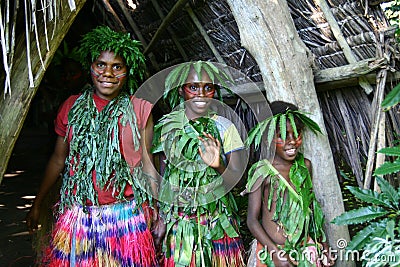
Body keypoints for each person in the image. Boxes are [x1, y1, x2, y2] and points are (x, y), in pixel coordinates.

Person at [26, 26, 162, 266]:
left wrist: (158, 210)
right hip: (80, 215)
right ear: (90, 67)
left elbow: (148, 163)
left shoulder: (141, 110)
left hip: (126, 216)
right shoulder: (71, 106)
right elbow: (59, 159)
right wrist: (38, 202)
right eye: (101, 65)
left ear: (127, 72)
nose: (107, 73)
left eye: (117, 67)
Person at [152, 61, 246, 266]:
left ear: (215, 91)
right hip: (179, 223)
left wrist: (218, 164)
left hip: (216, 223)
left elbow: (239, 182)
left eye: (208, 88)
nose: (201, 94)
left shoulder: (225, 127)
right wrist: (160, 217)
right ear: (181, 90)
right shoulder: (167, 128)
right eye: (193, 87)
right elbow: (161, 176)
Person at [244, 101, 334, 267]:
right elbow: (252, 220)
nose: (292, 141)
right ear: (268, 137)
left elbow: (310, 210)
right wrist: (274, 253)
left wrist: (324, 245)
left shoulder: (304, 166)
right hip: (272, 252)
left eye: (297, 133)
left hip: (304, 250)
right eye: (283, 135)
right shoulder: (262, 172)